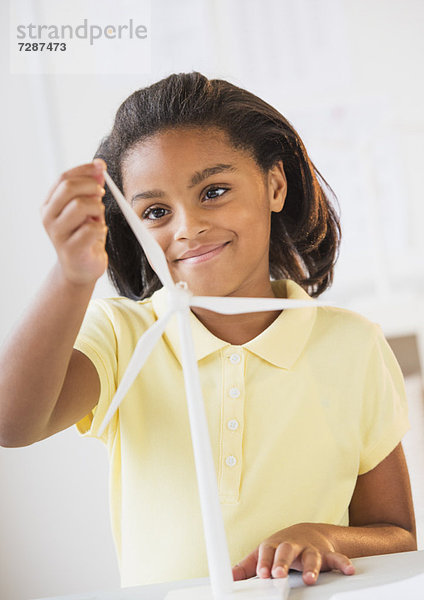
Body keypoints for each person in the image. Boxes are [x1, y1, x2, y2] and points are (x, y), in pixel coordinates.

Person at [0, 72, 416, 588]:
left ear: (275, 185)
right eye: (154, 211)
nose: (186, 227)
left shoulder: (353, 346)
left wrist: (327, 535)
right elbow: (10, 423)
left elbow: (397, 534)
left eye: (214, 192)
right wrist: (70, 277)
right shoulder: (122, 336)